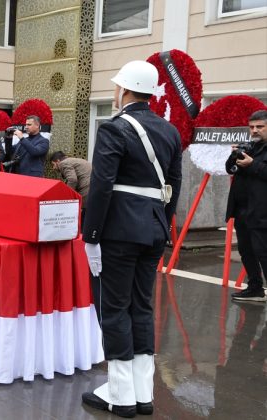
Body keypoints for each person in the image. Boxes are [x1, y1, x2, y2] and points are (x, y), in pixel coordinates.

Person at [81, 60, 182, 418]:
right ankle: (143, 394)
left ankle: (121, 396)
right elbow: (174, 186)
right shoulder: (169, 131)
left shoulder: (114, 129)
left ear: (124, 90)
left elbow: (101, 187)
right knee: (142, 307)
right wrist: (162, 224)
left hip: (119, 231)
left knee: (114, 309)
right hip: (153, 229)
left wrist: (90, 234)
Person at [226, 109, 267, 302]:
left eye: (260, 127)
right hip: (242, 210)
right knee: (246, 251)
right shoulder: (250, 147)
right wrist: (234, 155)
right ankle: (255, 287)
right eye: (252, 127)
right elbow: (229, 169)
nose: (255, 130)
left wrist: (252, 165)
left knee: (263, 252)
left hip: (262, 212)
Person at [50, 151, 91, 219]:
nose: (53, 168)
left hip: (86, 192)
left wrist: (67, 197)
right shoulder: (74, 160)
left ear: (58, 161)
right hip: (93, 191)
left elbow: (72, 180)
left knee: (82, 221)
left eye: (53, 164)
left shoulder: (63, 163)